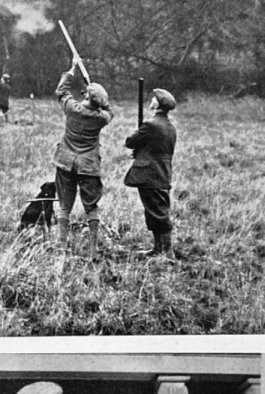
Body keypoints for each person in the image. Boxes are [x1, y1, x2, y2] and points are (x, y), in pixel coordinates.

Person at [53, 67, 113, 255]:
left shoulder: (72, 108)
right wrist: (98, 97)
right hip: (88, 166)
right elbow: (109, 110)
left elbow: (61, 92)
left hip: (65, 163)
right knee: (91, 207)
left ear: (86, 97)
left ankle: (62, 245)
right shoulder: (101, 118)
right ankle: (93, 250)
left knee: (64, 205)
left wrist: (70, 72)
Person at [123, 87, 177, 259]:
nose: (151, 101)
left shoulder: (151, 125)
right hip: (162, 172)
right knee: (155, 209)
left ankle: (166, 252)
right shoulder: (170, 126)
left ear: (158, 105)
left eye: (154, 99)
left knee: (158, 212)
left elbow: (130, 142)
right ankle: (158, 249)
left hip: (149, 173)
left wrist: (139, 144)